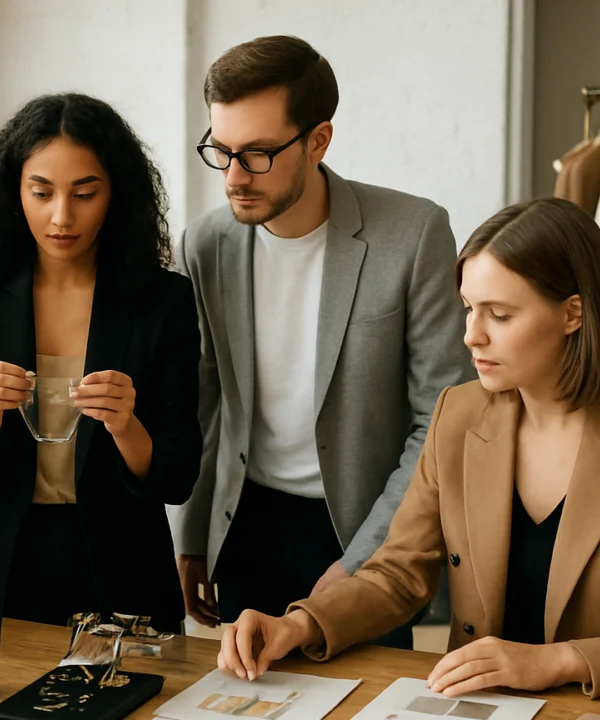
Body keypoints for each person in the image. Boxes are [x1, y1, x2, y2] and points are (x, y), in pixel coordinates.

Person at [218, 198, 600, 699]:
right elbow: (398, 572)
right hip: (478, 709)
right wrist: (298, 624)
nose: (471, 336)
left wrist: (560, 661)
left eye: (500, 315)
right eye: (468, 308)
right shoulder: (458, 413)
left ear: (573, 313)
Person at [171, 35, 472, 645]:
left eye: (257, 154)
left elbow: (441, 420)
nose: (234, 176)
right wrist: (192, 536)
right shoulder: (203, 244)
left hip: (361, 523)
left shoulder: (413, 235)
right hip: (245, 522)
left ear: (319, 140)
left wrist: (368, 557)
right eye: (221, 150)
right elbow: (205, 402)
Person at [0, 93, 201, 633]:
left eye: (85, 193)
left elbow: (177, 476)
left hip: (122, 569)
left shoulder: (162, 300)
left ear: (116, 193)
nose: (61, 216)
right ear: (13, 189)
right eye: (41, 193)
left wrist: (125, 424)